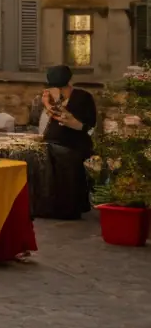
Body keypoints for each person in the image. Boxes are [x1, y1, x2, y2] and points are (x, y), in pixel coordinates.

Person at [40, 64, 96, 219]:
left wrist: (50, 103)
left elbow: (67, 119)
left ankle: (69, 209)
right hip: (53, 141)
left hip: (73, 144)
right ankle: (50, 206)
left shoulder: (82, 97)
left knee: (65, 164)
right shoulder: (53, 98)